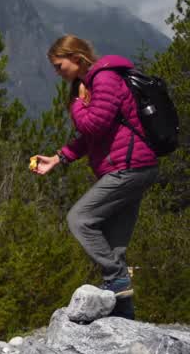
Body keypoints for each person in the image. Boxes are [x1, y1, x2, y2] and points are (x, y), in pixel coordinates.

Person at [30, 34, 158, 303]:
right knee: (114, 246)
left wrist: (77, 103)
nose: (57, 73)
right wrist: (57, 158)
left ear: (76, 59)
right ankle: (122, 316)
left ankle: (116, 277)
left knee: (80, 219)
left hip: (129, 168)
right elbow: (93, 138)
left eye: (59, 66)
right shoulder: (96, 81)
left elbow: (93, 126)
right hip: (133, 168)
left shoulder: (104, 78)